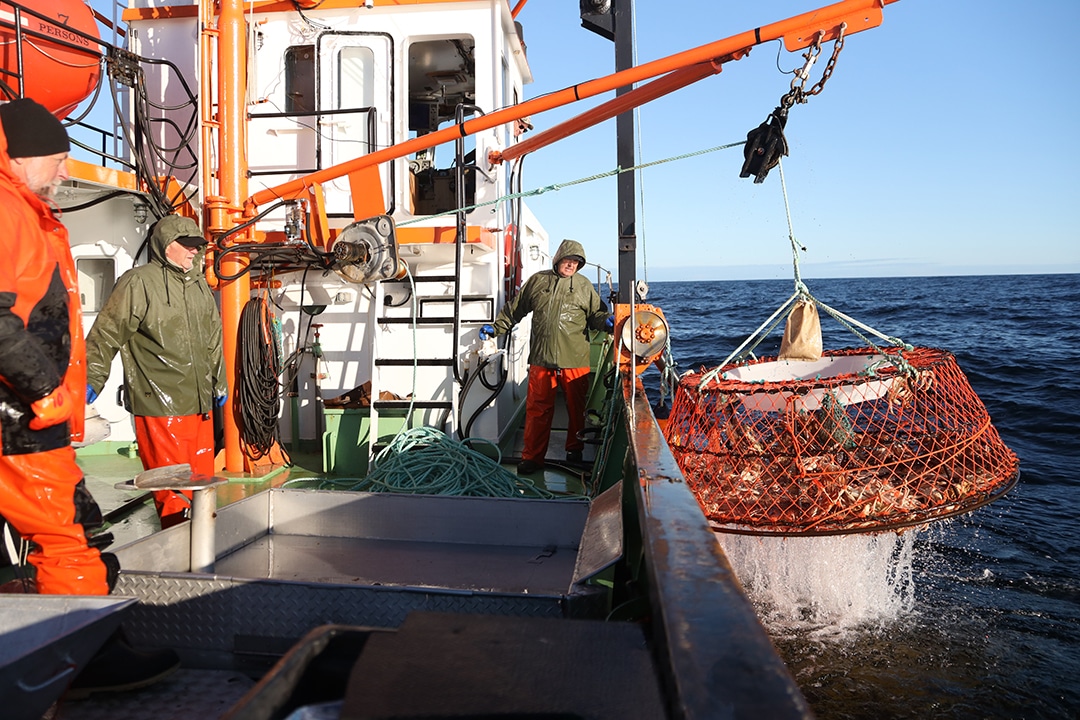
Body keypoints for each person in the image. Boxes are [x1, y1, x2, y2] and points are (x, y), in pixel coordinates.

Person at [0, 96, 179, 695]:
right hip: (21, 420)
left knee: (71, 529)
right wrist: (44, 390)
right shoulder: (7, 212)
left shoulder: (23, 210)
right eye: (55, 158)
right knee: (70, 533)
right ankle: (85, 659)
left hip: (28, 415)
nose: (64, 172)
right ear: (18, 157)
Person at [85, 214, 228, 528]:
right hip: (159, 405)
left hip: (201, 405)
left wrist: (219, 381)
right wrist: (90, 377)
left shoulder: (199, 284)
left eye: (198, 245)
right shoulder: (138, 282)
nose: (194, 251)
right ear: (166, 246)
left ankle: (201, 548)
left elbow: (213, 337)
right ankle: (177, 550)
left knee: (202, 486)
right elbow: (106, 333)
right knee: (173, 488)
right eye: (186, 245)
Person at [481, 239, 613, 474]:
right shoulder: (538, 281)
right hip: (542, 358)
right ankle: (532, 457)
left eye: (576, 262)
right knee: (538, 409)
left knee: (575, 409)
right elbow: (516, 309)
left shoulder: (584, 286)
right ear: (558, 259)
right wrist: (496, 327)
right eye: (568, 260)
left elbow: (596, 316)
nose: (571, 265)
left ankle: (575, 450)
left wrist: (607, 322)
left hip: (575, 359)